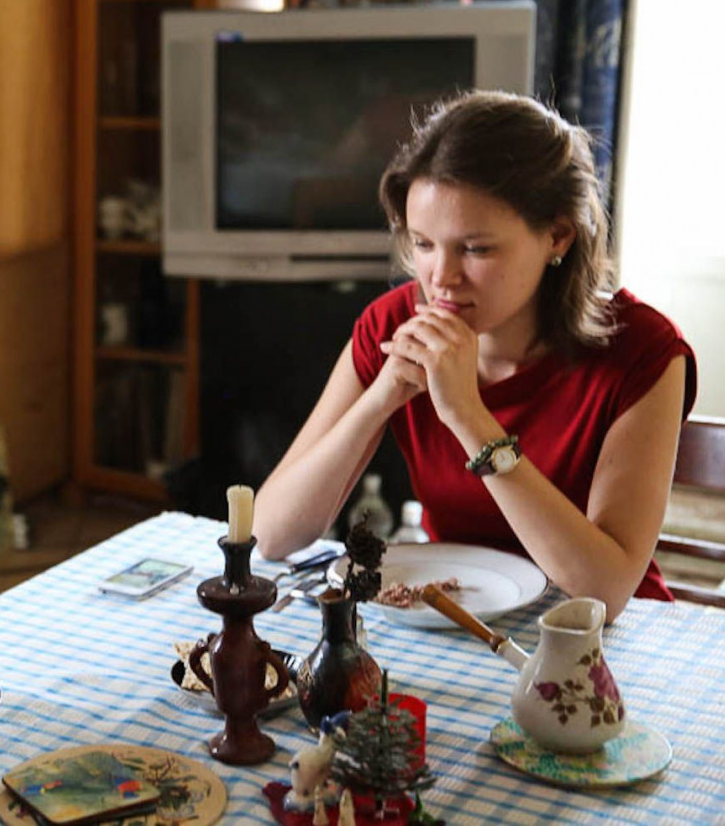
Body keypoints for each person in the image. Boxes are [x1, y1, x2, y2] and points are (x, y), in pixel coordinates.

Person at [253, 91, 696, 624]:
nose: (440, 277)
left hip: (608, 641)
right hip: (457, 619)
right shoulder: (393, 327)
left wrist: (468, 416)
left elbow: (606, 588)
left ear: (557, 235)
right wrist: (380, 399)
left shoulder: (643, 352)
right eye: (423, 244)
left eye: (476, 249)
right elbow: (273, 535)